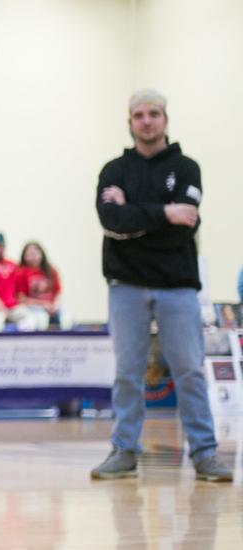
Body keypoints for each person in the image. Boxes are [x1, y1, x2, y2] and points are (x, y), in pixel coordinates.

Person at [90, 88, 232, 483]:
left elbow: (183, 228)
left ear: (165, 120)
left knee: (189, 371)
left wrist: (134, 215)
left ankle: (204, 453)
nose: (147, 121)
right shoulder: (114, 171)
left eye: (153, 114)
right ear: (130, 122)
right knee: (127, 372)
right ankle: (124, 450)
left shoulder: (187, 168)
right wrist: (167, 212)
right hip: (125, 286)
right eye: (139, 115)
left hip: (178, 287)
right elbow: (111, 221)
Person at [14, 241, 63, 330]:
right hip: (33, 307)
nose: (33, 257)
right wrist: (43, 304)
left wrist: (55, 306)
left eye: (35, 253)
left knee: (66, 319)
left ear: (42, 254)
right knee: (41, 320)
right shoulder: (21, 273)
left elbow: (58, 293)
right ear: (24, 257)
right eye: (29, 254)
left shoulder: (51, 271)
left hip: (51, 307)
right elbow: (22, 299)